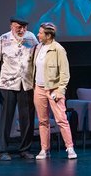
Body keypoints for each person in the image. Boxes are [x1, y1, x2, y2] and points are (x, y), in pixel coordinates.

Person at [0, 16, 38, 161]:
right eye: (19, 27)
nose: (22, 30)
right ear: (12, 26)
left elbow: (38, 58)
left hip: (26, 84)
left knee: (27, 119)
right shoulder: (3, 39)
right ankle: (3, 150)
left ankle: (25, 149)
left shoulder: (31, 38)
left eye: (24, 27)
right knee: (6, 118)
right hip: (8, 83)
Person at [32, 22, 77, 160]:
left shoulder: (58, 49)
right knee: (42, 121)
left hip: (53, 89)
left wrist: (60, 91)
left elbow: (65, 73)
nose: (38, 35)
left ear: (48, 35)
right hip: (38, 88)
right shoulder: (38, 47)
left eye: (40, 33)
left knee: (61, 120)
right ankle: (44, 149)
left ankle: (70, 148)